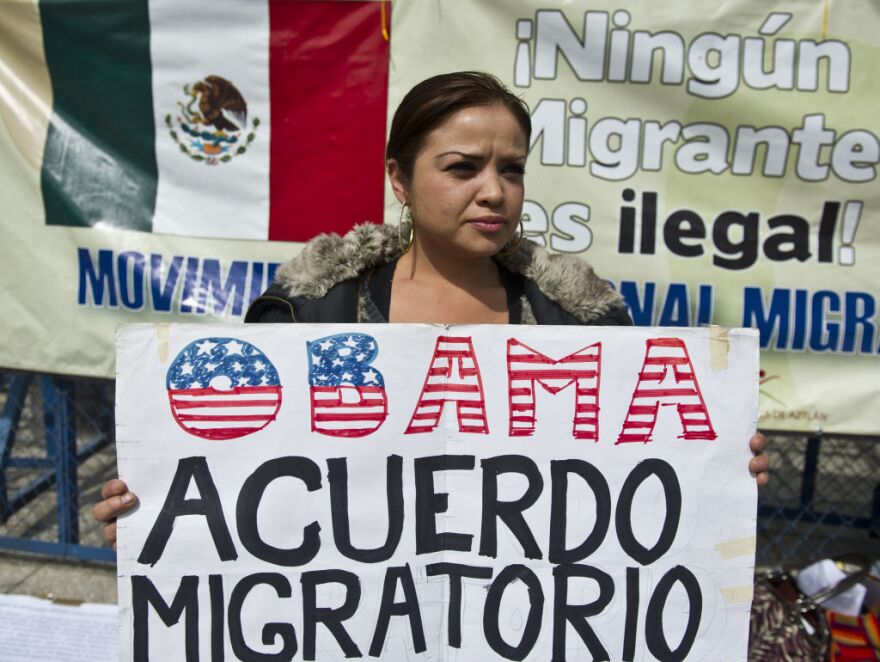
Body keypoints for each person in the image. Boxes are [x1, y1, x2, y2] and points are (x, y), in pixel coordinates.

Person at [94, 71, 770, 547]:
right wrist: (158, 513)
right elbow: (238, 481)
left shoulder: (583, 325)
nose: (494, 191)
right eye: (462, 167)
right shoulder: (309, 315)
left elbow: (631, 495)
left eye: (512, 168)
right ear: (399, 178)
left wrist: (713, 470)